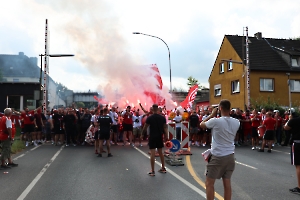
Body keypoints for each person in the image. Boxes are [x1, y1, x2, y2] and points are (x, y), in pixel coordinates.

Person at [200, 99, 240, 200]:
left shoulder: (215, 121)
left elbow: (202, 124)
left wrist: (212, 115)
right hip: (230, 156)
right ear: (230, 109)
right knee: (227, 184)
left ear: (220, 108)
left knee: (209, 183)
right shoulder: (237, 122)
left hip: (217, 156)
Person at [142, 104, 168, 176]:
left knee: (152, 153)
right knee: (161, 153)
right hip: (160, 136)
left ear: (152, 109)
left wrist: (142, 134)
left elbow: (145, 127)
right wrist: (167, 136)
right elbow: (165, 127)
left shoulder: (150, 118)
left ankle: (152, 171)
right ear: (158, 110)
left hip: (152, 136)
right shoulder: (162, 118)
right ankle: (163, 168)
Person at [284, 111, 300, 195]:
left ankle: (299, 187)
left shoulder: (294, 120)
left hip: (297, 143)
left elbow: (286, 127)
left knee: (298, 165)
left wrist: (289, 119)